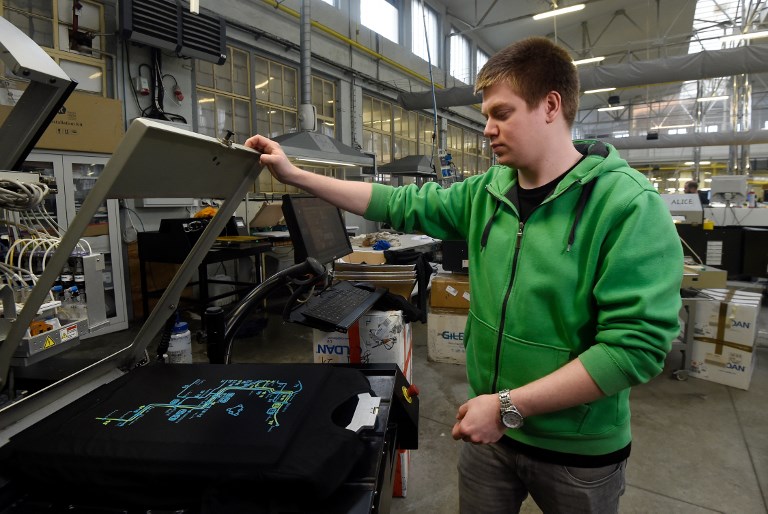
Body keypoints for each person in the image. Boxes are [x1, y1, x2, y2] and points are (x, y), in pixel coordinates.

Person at [246, 36, 682, 514]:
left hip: (577, 452)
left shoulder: (626, 205)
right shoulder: (486, 192)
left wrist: (508, 407)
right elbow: (397, 203)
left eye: (501, 113)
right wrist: (297, 175)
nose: (488, 130)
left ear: (550, 106)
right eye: (486, 118)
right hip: (489, 434)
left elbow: (634, 350)